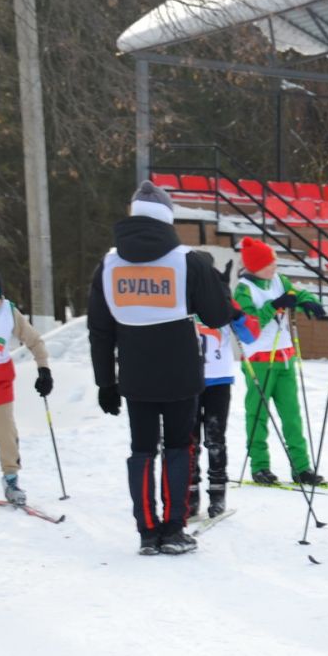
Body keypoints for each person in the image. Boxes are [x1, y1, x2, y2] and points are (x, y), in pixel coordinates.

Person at [87, 180, 233, 555]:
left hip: (135, 375)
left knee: (141, 450)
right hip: (181, 372)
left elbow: (100, 331)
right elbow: (217, 316)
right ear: (167, 218)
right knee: (179, 448)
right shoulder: (187, 260)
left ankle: (147, 532)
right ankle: (173, 529)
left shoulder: (108, 264)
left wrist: (106, 382)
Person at [231, 236, 328, 488]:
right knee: (258, 414)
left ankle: (301, 467)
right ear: (255, 267)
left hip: (285, 357)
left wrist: (308, 300)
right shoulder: (244, 289)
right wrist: (274, 306)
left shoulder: (278, 280)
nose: (274, 267)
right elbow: (248, 328)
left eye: (275, 262)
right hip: (259, 360)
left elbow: (297, 292)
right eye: (269, 263)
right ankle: (260, 465)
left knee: (292, 416)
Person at [0, 265, 51, 507]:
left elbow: (34, 340)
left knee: (7, 435)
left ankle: (11, 480)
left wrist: (43, 369)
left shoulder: (8, 312)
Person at [190, 310, 237, 519]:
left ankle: (217, 495)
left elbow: (250, 334)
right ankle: (189, 495)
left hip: (219, 379)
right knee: (189, 440)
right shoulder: (184, 297)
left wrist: (238, 315)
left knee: (215, 439)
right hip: (187, 378)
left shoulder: (221, 301)